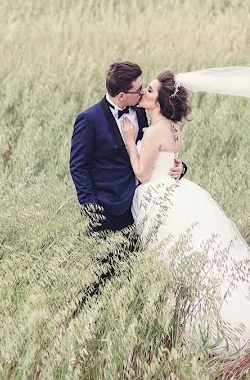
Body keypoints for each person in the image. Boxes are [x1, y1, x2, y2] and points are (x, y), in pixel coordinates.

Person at [121, 71, 250, 354]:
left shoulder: (154, 131)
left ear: (158, 101)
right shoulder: (173, 129)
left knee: (174, 259)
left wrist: (129, 140)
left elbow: (143, 173)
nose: (144, 94)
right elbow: (169, 161)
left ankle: (195, 323)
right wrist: (179, 166)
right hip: (181, 194)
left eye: (149, 90)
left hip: (160, 199)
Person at [69, 62, 184, 299]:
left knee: (132, 274)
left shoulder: (142, 112)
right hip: (107, 208)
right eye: (138, 89)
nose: (142, 93)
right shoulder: (89, 119)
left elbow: (156, 153)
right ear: (122, 95)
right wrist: (91, 206)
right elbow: (78, 166)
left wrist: (179, 167)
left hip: (142, 208)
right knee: (99, 276)